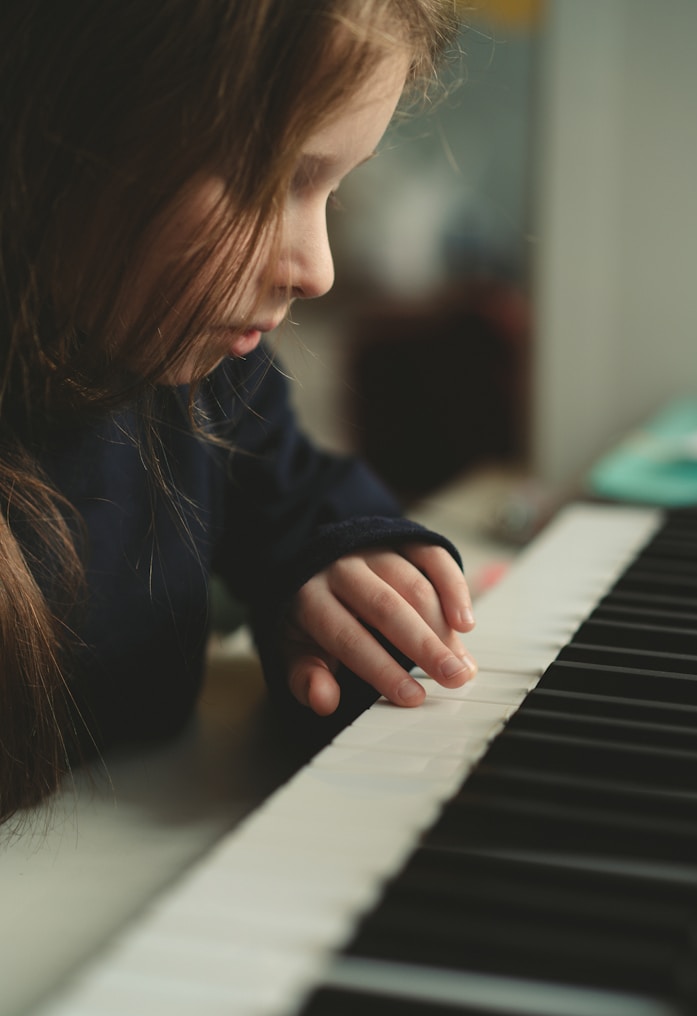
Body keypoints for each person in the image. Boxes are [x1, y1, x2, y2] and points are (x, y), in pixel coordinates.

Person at [0, 0, 478, 825]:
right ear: (57, 128)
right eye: (273, 178)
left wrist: (325, 579)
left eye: (333, 186)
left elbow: (308, 498)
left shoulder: (206, 375)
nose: (318, 269)